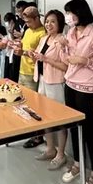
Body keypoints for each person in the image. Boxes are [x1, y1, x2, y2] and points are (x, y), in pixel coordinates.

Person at [58, 0, 93, 184]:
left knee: (90, 132)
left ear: (80, 13)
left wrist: (84, 60)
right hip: (70, 85)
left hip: (88, 89)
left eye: (70, 13)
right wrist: (63, 46)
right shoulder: (70, 32)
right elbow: (67, 60)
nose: (68, 17)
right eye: (67, 13)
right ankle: (78, 164)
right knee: (73, 128)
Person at [30, 10, 68, 169]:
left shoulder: (62, 41)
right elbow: (39, 58)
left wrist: (46, 59)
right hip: (42, 81)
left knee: (59, 119)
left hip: (55, 83)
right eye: (47, 21)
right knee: (45, 117)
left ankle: (61, 154)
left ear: (60, 23)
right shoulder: (44, 38)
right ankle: (50, 149)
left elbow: (65, 66)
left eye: (53, 21)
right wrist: (32, 55)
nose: (48, 24)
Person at [15, 6, 46, 148]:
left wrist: (23, 52)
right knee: (23, 102)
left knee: (34, 105)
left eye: (29, 21)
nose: (27, 24)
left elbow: (40, 55)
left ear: (37, 18)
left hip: (34, 73)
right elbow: (23, 46)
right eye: (25, 22)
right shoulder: (27, 31)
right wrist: (18, 47)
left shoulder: (43, 33)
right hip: (23, 70)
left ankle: (37, 135)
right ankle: (28, 129)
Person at [10, 0, 28, 82]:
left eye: (20, 11)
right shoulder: (17, 21)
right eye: (17, 11)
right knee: (14, 72)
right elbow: (14, 36)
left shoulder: (28, 23)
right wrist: (11, 33)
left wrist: (21, 35)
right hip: (16, 49)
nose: (19, 14)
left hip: (25, 52)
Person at [3, 12, 16, 79]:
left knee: (12, 75)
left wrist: (11, 34)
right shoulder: (8, 28)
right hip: (8, 54)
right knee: (6, 74)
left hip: (14, 55)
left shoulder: (17, 28)